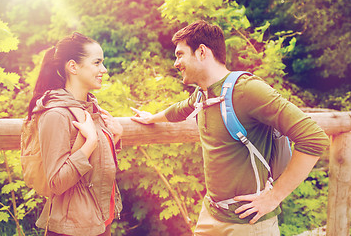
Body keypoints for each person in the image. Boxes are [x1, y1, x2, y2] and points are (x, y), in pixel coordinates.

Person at [131, 20, 329, 235]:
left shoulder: (247, 90)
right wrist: (152, 118)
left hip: (249, 224)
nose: (176, 63)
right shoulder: (202, 95)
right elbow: (179, 110)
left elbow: (314, 137)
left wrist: (274, 197)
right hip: (211, 214)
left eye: (180, 54)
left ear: (202, 52)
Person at [27, 32, 123, 235]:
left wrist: (115, 136)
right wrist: (89, 144)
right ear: (73, 67)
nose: (103, 70)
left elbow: (94, 168)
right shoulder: (56, 115)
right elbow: (56, 182)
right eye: (97, 63)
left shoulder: (90, 108)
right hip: (71, 228)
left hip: (98, 221)